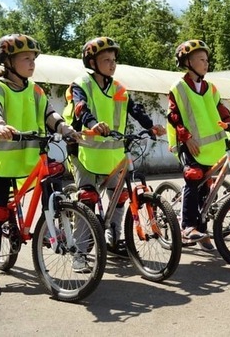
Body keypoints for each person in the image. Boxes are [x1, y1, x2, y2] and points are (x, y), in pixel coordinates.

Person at [0, 34, 79, 295]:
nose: (32, 64)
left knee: (53, 183)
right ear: (8, 61)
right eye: (26, 59)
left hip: (30, 158)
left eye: (33, 59)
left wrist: (65, 128)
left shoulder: (35, 89)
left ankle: (54, 230)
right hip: (0, 160)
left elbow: (49, 113)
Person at [63, 36, 165, 261]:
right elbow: (80, 108)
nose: (112, 64)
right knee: (87, 199)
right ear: (92, 63)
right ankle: (79, 252)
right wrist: (92, 124)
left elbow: (135, 109)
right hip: (84, 151)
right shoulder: (82, 84)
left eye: (113, 60)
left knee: (120, 197)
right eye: (106, 59)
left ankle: (113, 239)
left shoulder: (119, 88)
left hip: (112, 154)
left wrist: (151, 126)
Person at [167, 39, 230, 252]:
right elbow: (174, 116)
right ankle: (188, 226)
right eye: (201, 60)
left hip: (211, 147)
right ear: (187, 61)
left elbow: (220, 110)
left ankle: (202, 231)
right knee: (194, 177)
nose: (206, 64)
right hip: (189, 145)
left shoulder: (210, 87)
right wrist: (186, 137)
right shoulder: (179, 87)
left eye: (207, 60)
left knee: (207, 188)